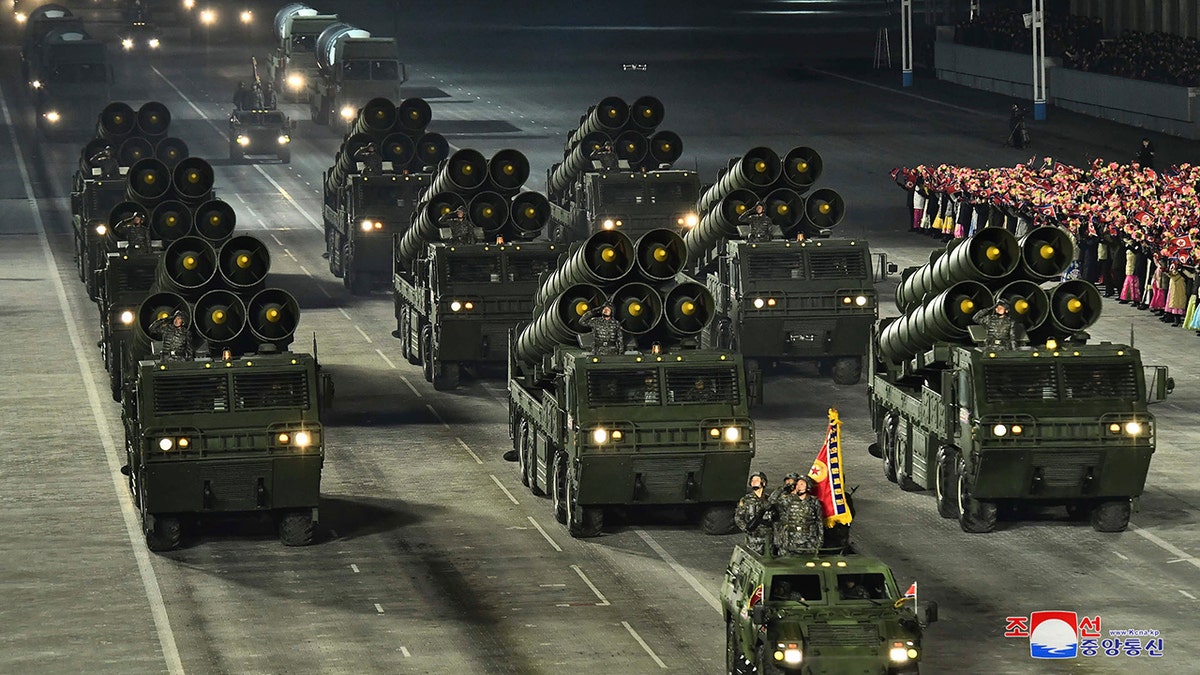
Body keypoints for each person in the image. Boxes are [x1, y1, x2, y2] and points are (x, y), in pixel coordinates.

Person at [773, 476, 824, 557]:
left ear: (808, 487)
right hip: (790, 540)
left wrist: (820, 541)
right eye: (797, 484)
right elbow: (771, 502)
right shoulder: (788, 500)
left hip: (809, 541)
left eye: (802, 484)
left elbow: (819, 522)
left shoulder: (814, 501)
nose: (799, 486)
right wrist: (782, 488)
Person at [734, 472, 771, 554]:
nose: (754, 482)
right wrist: (747, 529)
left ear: (763, 482)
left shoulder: (769, 500)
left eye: (757, 480)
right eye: (752, 480)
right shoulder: (746, 500)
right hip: (753, 541)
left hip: (769, 540)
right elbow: (738, 518)